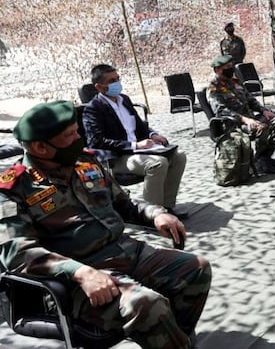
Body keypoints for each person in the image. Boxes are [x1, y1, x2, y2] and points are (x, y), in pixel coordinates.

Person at [0, 101, 211, 349]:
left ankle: (176, 341)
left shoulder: (86, 163)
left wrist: (155, 213)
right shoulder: (13, 189)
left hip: (127, 252)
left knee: (196, 268)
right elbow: (17, 253)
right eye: (70, 135)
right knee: (146, 304)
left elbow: (125, 203)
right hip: (78, 278)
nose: (80, 137)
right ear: (40, 147)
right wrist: (80, 272)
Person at [83, 64, 189, 219]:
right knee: (157, 163)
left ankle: (167, 207)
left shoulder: (124, 99)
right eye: (112, 81)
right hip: (117, 157)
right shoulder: (93, 108)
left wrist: (153, 135)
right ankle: (149, 215)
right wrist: (134, 145)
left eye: (117, 78)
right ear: (99, 87)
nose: (117, 83)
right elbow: (96, 141)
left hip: (141, 151)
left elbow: (140, 126)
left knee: (179, 156)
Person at [207, 55, 275, 174]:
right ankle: (260, 160)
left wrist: (264, 110)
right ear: (217, 70)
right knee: (261, 127)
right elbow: (221, 111)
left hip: (250, 119)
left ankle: (263, 156)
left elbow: (251, 100)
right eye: (226, 67)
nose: (231, 69)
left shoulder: (236, 83)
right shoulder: (214, 88)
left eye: (231, 66)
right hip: (232, 125)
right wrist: (244, 119)